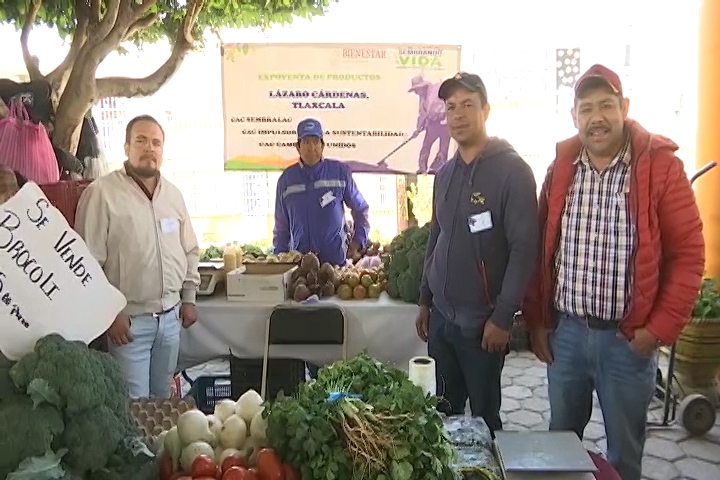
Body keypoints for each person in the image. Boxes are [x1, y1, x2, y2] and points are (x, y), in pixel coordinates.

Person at [524, 64, 704, 480]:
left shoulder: (660, 169)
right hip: (566, 336)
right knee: (559, 450)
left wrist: (657, 329)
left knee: (623, 457)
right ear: (575, 117)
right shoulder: (561, 170)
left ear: (624, 108)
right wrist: (537, 322)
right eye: (586, 109)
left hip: (628, 341)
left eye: (606, 105)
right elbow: (540, 251)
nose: (597, 117)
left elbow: (689, 255)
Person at [415, 72, 539, 433]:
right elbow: (436, 236)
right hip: (442, 321)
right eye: (451, 107)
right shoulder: (445, 173)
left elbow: (524, 249)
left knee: (485, 420)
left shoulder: (512, 172)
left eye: (468, 105)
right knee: (444, 416)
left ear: (486, 110)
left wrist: (502, 317)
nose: (458, 114)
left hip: (483, 325)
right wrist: (425, 298)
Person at [75, 114, 201, 399]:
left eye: (156, 142)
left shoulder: (174, 196)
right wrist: (110, 313)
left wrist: (189, 298)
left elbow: (190, 250)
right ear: (126, 147)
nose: (149, 148)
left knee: (163, 403)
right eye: (141, 141)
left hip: (170, 320)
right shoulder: (102, 194)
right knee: (135, 407)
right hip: (129, 325)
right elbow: (85, 264)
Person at [273, 118, 370, 266]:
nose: (311, 147)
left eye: (315, 141)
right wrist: (279, 261)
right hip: (300, 267)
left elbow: (360, 208)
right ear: (298, 147)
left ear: (323, 145)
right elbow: (281, 228)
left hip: (335, 264)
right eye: (306, 142)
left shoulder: (339, 173)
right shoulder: (286, 181)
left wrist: (358, 241)